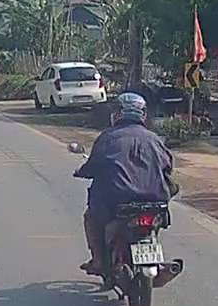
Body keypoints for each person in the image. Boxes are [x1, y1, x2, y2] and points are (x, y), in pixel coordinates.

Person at [73, 92, 174, 274]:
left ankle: (98, 260)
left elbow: (93, 165)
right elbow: (167, 166)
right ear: (143, 114)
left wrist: (82, 172)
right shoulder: (154, 139)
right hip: (154, 201)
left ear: (118, 114)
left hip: (117, 202)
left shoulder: (108, 137)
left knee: (91, 217)